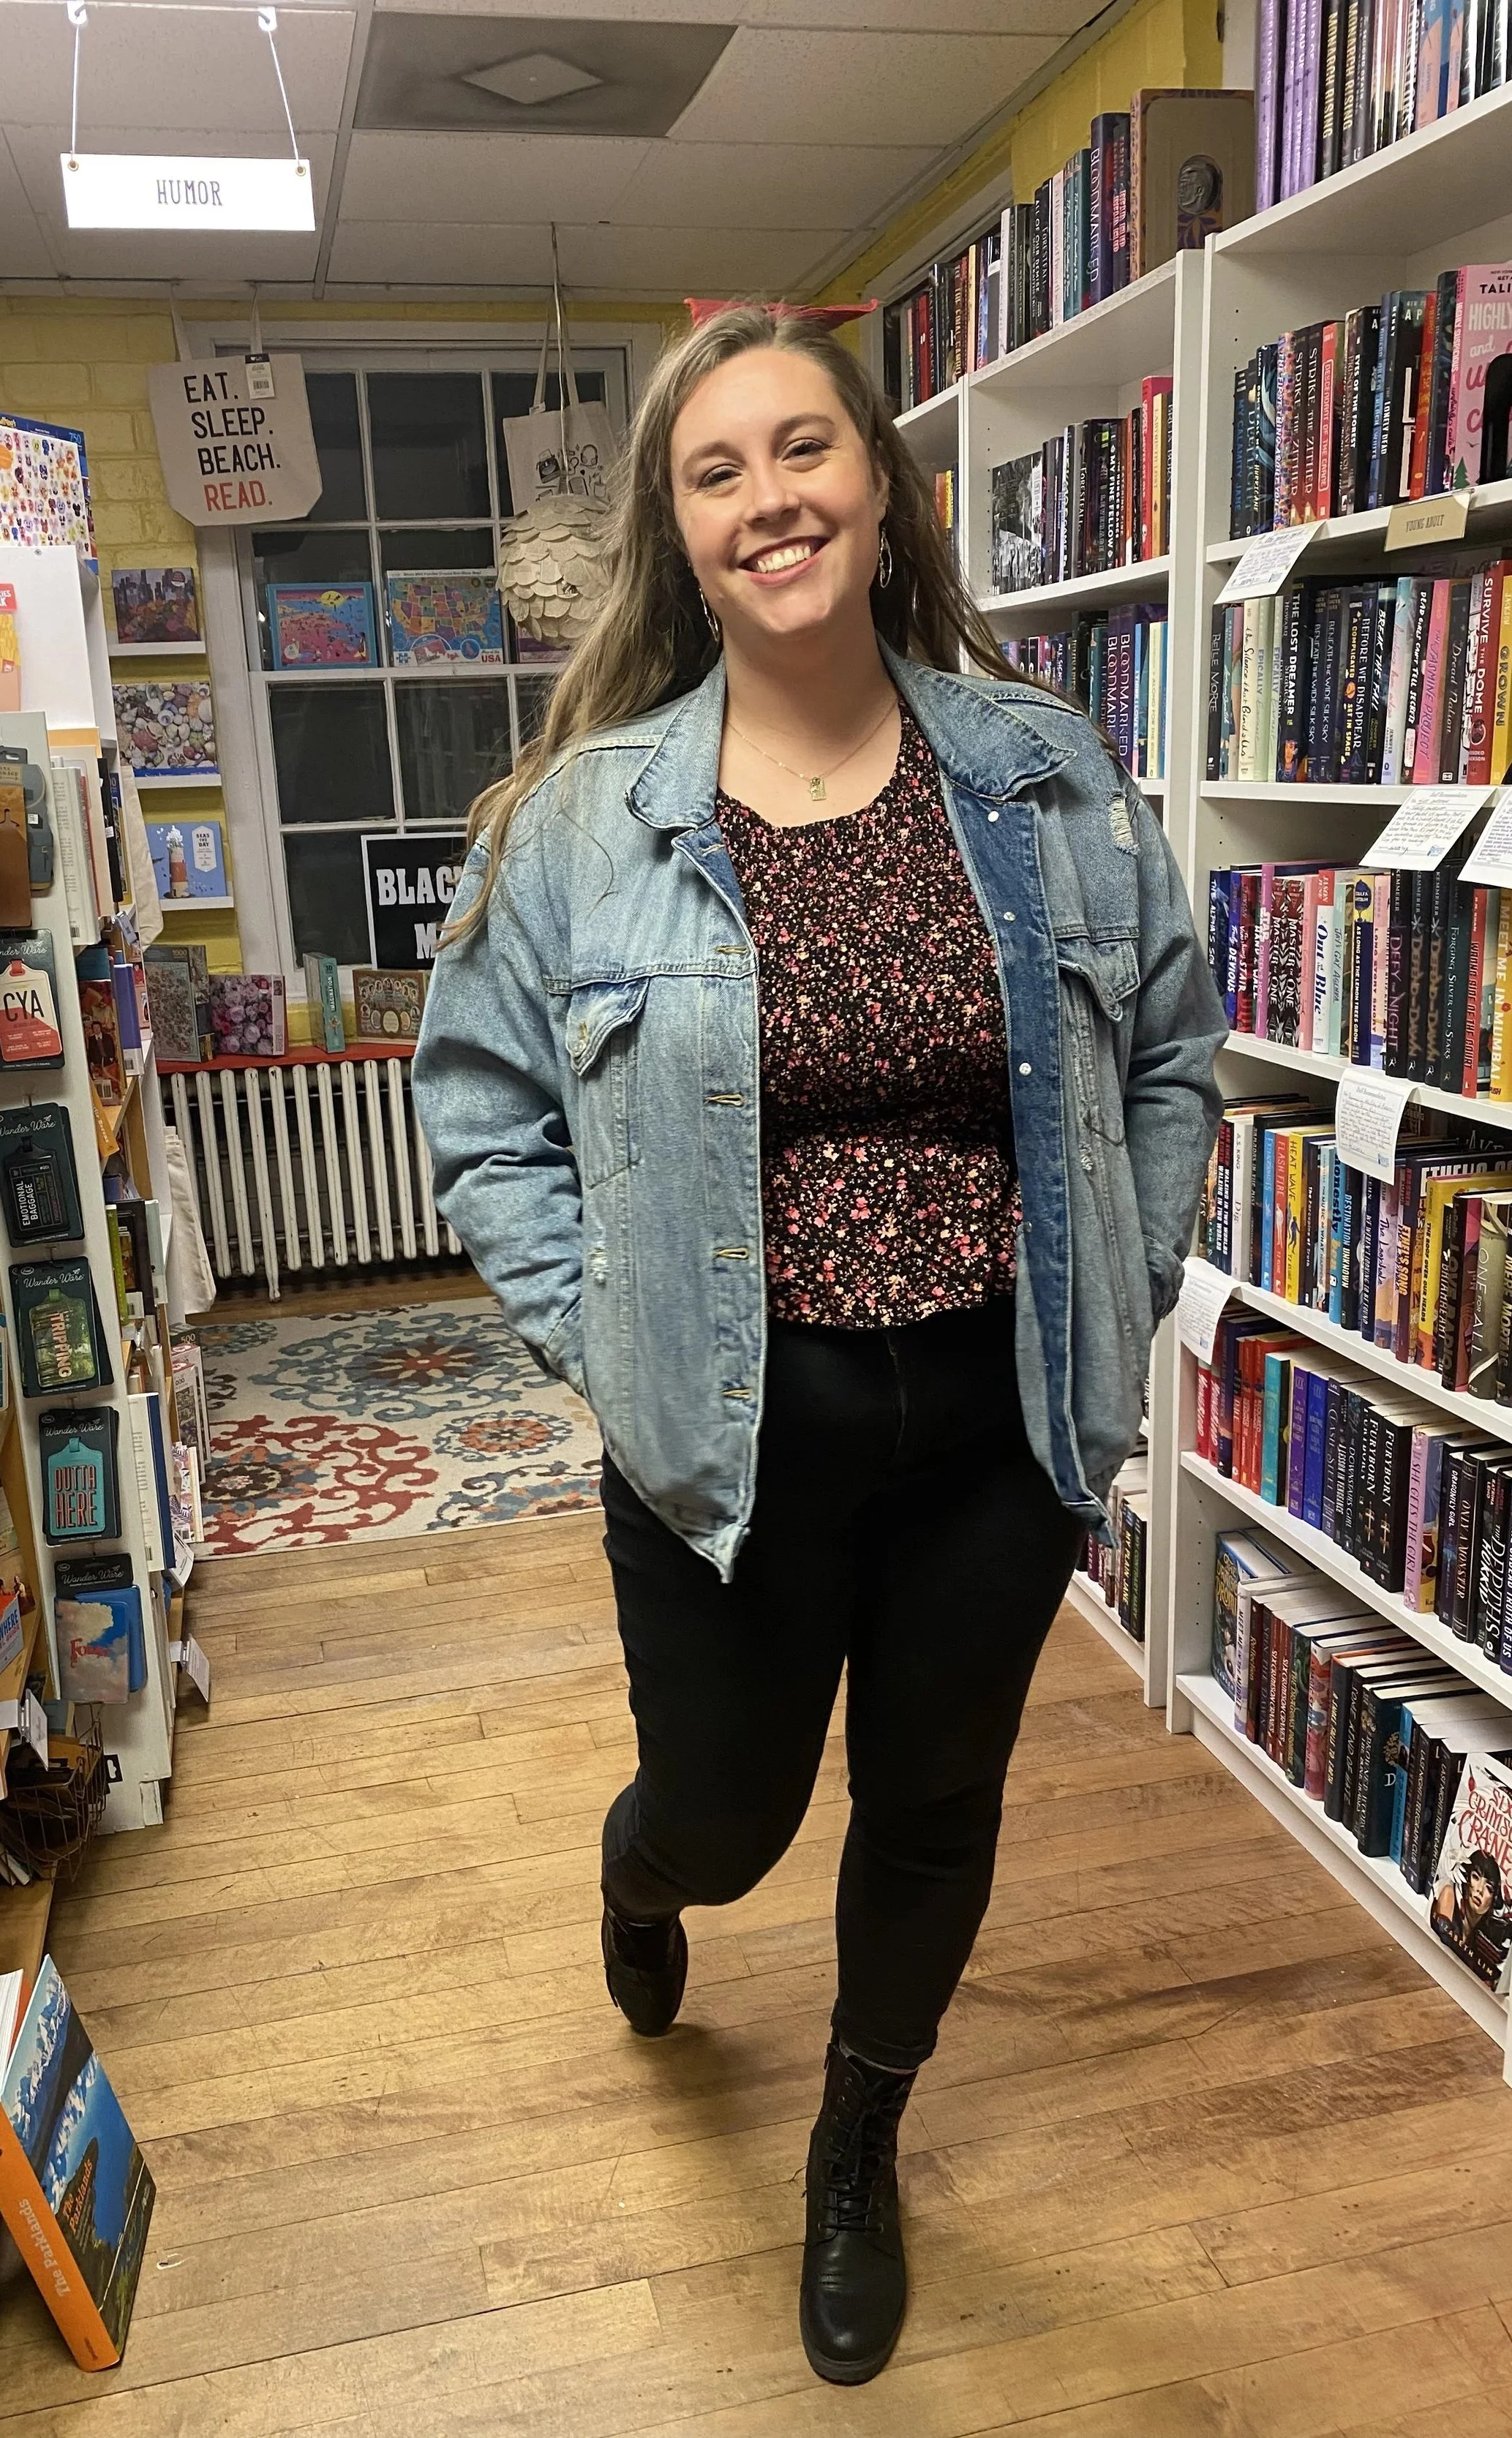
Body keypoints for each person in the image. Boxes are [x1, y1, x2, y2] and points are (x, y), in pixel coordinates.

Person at [412, 303, 1225, 2386]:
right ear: (679, 536)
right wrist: (596, 1339)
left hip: (991, 1411)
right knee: (736, 1804)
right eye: (717, 471)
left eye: (803, 452)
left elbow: (1165, 1056)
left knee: (934, 1797)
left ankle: (855, 2141)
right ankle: (641, 1861)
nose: (769, 497)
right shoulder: (582, 822)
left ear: (880, 490)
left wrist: (1115, 1301)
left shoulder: (1040, 766)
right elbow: (481, 1111)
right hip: (722, 1425)